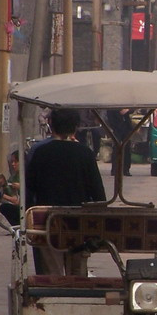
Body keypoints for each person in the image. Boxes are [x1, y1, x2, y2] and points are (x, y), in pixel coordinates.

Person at [26, 108, 107, 274]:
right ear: (76, 127)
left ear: (51, 125)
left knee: (50, 276)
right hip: (78, 226)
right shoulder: (85, 154)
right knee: (77, 277)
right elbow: (99, 195)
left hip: (47, 224)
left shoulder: (41, 152)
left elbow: (30, 187)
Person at [0, 150, 21, 226]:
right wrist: (4, 185)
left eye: (16, 162)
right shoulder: (14, 176)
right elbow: (10, 192)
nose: (13, 164)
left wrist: (1, 195)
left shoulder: (27, 175)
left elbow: (16, 200)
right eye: (12, 162)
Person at [108, 108, 134, 177]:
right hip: (116, 127)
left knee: (127, 148)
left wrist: (127, 110)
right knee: (116, 148)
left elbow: (133, 108)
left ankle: (126, 169)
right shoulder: (112, 104)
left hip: (126, 127)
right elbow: (110, 114)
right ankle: (114, 169)